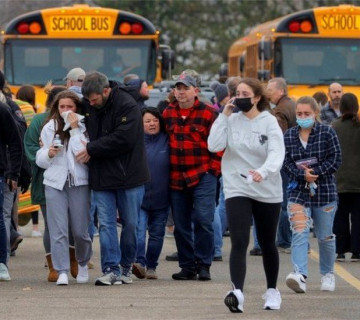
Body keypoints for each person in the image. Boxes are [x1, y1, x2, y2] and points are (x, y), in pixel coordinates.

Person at [208, 77, 284, 312]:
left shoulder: (269, 122)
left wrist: (264, 171)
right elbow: (213, 145)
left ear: (257, 97)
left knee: (267, 242)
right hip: (237, 186)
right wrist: (223, 116)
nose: (239, 98)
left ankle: (272, 290)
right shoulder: (230, 120)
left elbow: (276, 153)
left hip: (266, 188)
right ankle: (237, 293)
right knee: (239, 240)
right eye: (236, 93)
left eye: (244, 94)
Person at [78, 71, 149, 286]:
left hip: (129, 175)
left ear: (106, 91)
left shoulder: (127, 105)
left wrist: (92, 148)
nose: (91, 103)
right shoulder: (88, 104)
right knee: (107, 225)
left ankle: (126, 266)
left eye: (95, 99)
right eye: (88, 100)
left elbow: (123, 139)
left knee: (130, 224)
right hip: (101, 175)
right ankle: (110, 268)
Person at [163, 73, 221, 281]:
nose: (181, 92)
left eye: (185, 88)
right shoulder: (167, 113)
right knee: (180, 225)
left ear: (195, 91)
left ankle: (204, 264)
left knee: (204, 220)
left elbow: (219, 143)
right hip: (176, 176)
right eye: (178, 88)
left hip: (203, 174)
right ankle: (187, 266)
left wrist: (214, 170)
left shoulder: (208, 113)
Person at [283, 96, 341, 293]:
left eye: (307, 114)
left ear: (315, 113)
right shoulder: (289, 135)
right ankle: (299, 274)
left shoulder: (327, 132)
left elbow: (336, 159)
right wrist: (302, 175)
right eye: (299, 114)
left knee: (325, 236)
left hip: (324, 190)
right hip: (298, 190)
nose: (303, 117)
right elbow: (285, 162)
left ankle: (328, 273)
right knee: (299, 231)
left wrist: (316, 173)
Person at [36, 90, 92, 286]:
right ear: (56, 108)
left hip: (79, 182)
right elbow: (40, 160)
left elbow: (81, 154)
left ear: (77, 107)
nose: (66, 111)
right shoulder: (49, 127)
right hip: (54, 183)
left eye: (70, 107)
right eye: (62, 107)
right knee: (57, 230)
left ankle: (83, 262)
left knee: (80, 230)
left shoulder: (85, 127)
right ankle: (62, 270)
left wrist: (75, 129)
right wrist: (49, 154)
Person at [24, 84, 68, 282]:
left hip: (73, 181)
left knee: (70, 224)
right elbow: (31, 148)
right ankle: (54, 266)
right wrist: (46, 156)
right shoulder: (40, 121)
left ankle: (70, 261)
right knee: (52, 225)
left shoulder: (76, 121)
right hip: (45, 180)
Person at [132, 107, 170, 280]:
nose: (152, 124)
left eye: (155, 120)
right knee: (138, 232)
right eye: (147, 121)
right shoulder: (135, 140)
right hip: (139, 197)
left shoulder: (167, 139)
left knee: (156, 234)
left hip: (162, 198)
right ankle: (139, 263)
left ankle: (152, 266)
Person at [266, 77, 297, 254]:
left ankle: (285, 240)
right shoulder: (291, 105)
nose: (268, 93)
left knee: (285, 203)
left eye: (271, 90)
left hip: (286, 162)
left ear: (281, 91)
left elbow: (279, 138)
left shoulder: (280, 111)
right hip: (293, 160)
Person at [332, 93, 360, 262]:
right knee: (358, 217)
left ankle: (340, 250)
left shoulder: (334, 126)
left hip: (339, 180)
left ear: (341, 107)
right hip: (358, 181)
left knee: (340, 215)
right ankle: (357, 251)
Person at [15, 85, 42, 238]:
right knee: (32, 191)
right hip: (30, 154)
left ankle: (17, 226)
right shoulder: (31, 110)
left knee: (16, 193)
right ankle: (36, 228)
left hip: (15, 154)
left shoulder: (12, 106)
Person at [0, 100, 23, 281]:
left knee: (0, 219)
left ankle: (1, 263)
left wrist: (13, 173)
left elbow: (15, 142)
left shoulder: (2, 110)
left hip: (0, 173)